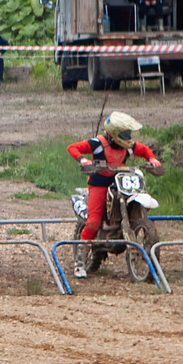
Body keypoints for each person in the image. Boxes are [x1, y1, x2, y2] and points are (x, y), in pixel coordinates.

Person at [61, 111, 157, 275]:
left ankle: (135, 229)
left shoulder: (128, 146)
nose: (128, 137)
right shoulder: (98, 143)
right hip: (99, 185)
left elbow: (144, 149)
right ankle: (80, 262)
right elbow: (73, 147)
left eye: (129, 133)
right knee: (93, 223)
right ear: (114, 133)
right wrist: (83, 160)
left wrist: (152, 159)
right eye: (124, 133)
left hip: (119, 184)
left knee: (141, 201)